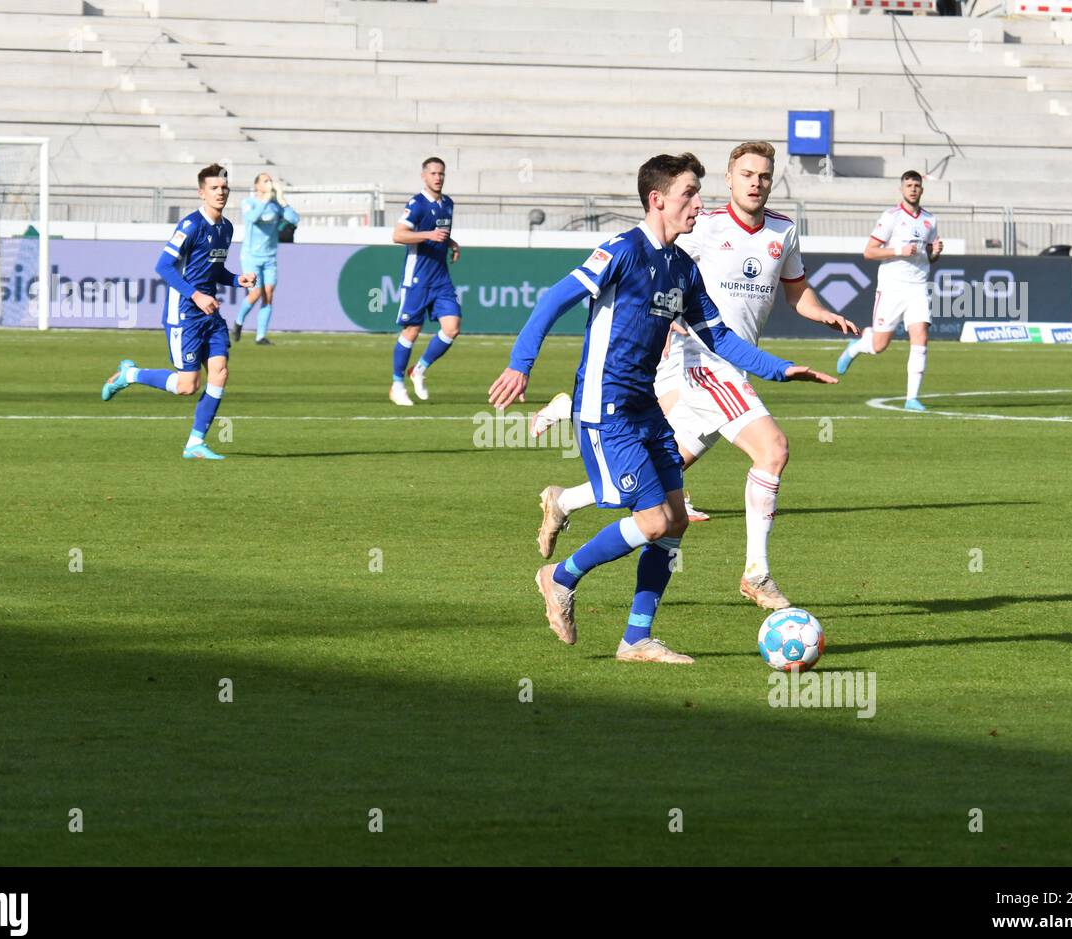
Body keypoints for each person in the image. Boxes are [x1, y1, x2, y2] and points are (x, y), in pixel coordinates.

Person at [488, 153, 837, 664]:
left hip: (646, 407)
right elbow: (552, 300)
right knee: (652, 522)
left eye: (697, 193)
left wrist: (781, 368)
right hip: (606, 409)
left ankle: (636, 640)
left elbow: (718, 336)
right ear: (658, 200)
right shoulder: (622, 251)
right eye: (688, 194)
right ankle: (559, 577)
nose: (698, 203)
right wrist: (521, 365)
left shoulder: (682, 267)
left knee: (673, 522)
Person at [100, 164, 256, 459]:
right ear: (201, 192)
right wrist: (196, 295)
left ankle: (195, 443)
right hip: (183, 314)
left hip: (210, 314)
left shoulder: (226, 228)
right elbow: (163, 266)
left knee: (219, 373)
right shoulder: (190, 226)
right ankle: (130, 374)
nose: (220, 192)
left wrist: (237, 280)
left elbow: (214, 270)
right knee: (188, 385)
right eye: (214, 188)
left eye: (224, 188)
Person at [835, 170, 943, 411]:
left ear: (922, 190)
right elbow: (869, 251)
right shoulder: (891, 217)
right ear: (901, 189)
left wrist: (934, 252)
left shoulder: (930, 220)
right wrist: (898, 251)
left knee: (921, 337)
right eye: (909, 185)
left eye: (917, 185)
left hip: (918, 287)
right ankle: (858, 346)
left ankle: (911, 399)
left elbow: (929, 257)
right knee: (879, 345)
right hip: (892, 288)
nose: (913, 189)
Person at [390, 157, 461, 406]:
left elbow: (441, 233)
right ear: (424, 176)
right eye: (433, 173)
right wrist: (428, 235)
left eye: (441, 173)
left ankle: (419, 369)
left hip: (441, 278)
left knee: (452, 327)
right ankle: (397, 384)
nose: (438, 177)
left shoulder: (448, 204)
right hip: (418, 277)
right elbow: (398, 235)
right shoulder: (417, 204)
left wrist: (450, 243)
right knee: (412, 331)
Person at [234, 171, 299, 345]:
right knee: (255, 293)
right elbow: (252, 218)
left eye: (270, 180)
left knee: (268, 295)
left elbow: (294, 219)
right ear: (257, 186)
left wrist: (282, 199)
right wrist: (265, 200)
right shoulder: (249, 203)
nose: (269, 183)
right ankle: (239, 322)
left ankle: (260, 336)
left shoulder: (276, 206)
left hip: (269, 258)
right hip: (250, 257)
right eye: (265, 181)